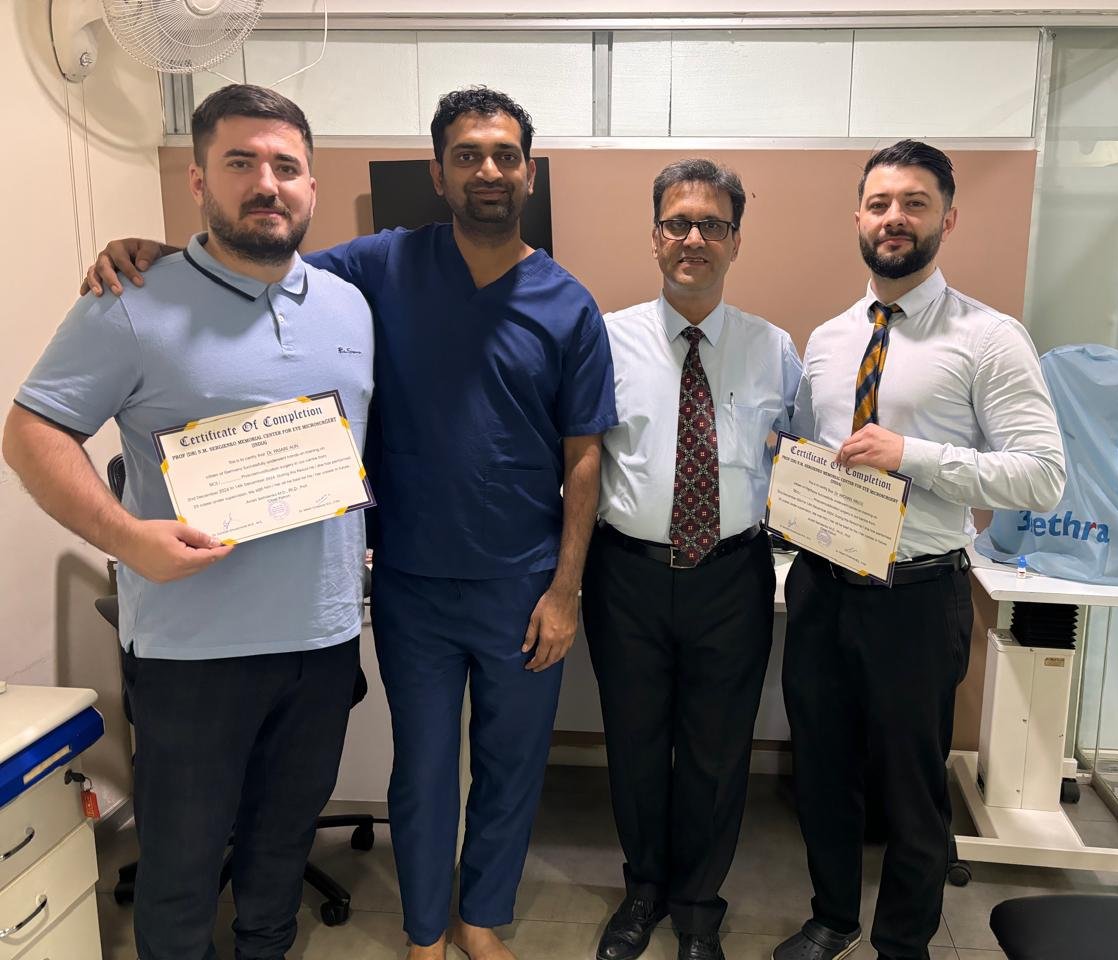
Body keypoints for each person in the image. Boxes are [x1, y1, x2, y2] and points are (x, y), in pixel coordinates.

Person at [81, 86, 616, 960]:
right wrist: (161, 257)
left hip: (523, 585)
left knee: (514, 764)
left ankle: (481, 917)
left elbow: (584, 455)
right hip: (411, 581)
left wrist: (566, 590)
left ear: (528, 173)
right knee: (424, 766)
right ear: (439, 174)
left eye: (505, 155)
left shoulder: (569, 304)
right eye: (468, 155)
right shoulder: (380, 266)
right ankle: (424, 930)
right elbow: (258, 259)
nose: (488, 170)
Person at [4, 84, 373, 960]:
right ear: (199, 181)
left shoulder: (348, 306)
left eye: (286, 166)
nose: (267, 183)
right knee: (181, 864)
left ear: (312, 185)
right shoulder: (131, 300)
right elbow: (30, 434)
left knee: (282, 847)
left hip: (322, 642)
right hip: (193, 654)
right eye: (240, 162)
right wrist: (126, 539)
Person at [774, 140, 1066, 960]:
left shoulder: (990, 337)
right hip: (823, 584)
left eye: (914, 203)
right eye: (879, 204)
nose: (893, 218)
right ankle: (833, 917)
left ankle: (903, 944)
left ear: (948, 218)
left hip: (916, 593)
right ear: (858, 218)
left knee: (910, 789)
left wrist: (913, 455)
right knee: (822, 772)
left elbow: (1043, 476)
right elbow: (817, 449)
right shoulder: (829, 338)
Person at [584, 159, 802, 960]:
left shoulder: (774, 348)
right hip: (627, 575)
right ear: (655, 236)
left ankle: (699, 909)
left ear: (736, 241)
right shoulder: (605, 340)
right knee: (634, 742)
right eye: (678, 222)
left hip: (732, 577)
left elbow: (803, 458)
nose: (694, 239)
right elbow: (577, 459)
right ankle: (643, 890)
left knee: (718, 751)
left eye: (712, 225)